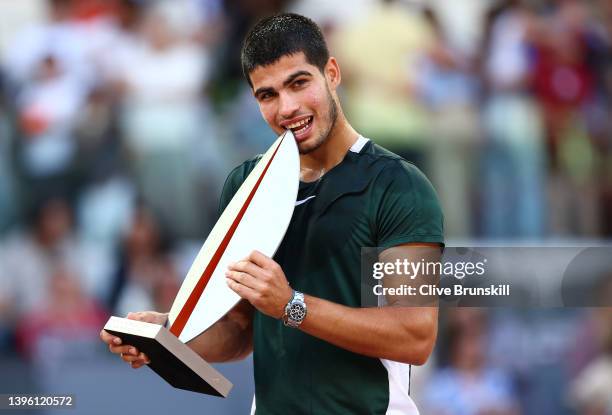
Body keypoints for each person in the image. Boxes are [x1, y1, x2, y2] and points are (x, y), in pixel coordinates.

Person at [100, 13, 444, 414]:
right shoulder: (245, 185)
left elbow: (415, 336)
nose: (288, 107)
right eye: (268, 95)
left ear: (331, 73)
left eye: (299, 83)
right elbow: (241, 331)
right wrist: (167, 336)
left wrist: (291, 305)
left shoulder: (399, 185)